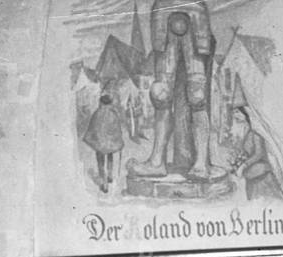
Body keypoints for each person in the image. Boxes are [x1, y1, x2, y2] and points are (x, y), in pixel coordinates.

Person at [130, 0, 217, 180]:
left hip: (195, 14)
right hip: (164, 12)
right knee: (161, 94)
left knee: (197, 96)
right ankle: (156, 162)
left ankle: (201, 163)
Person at [83, 90, 124, 193]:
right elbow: (118, 130)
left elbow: (91, 128)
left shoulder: (96, 114)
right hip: (110, 143)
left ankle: (104, 183)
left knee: (100, 161)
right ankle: (110, 175)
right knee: (110, 156)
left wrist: (90, 138)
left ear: (101, 102)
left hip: (100, 143)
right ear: (110, 103)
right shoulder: (113, 114)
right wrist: (119, 140)